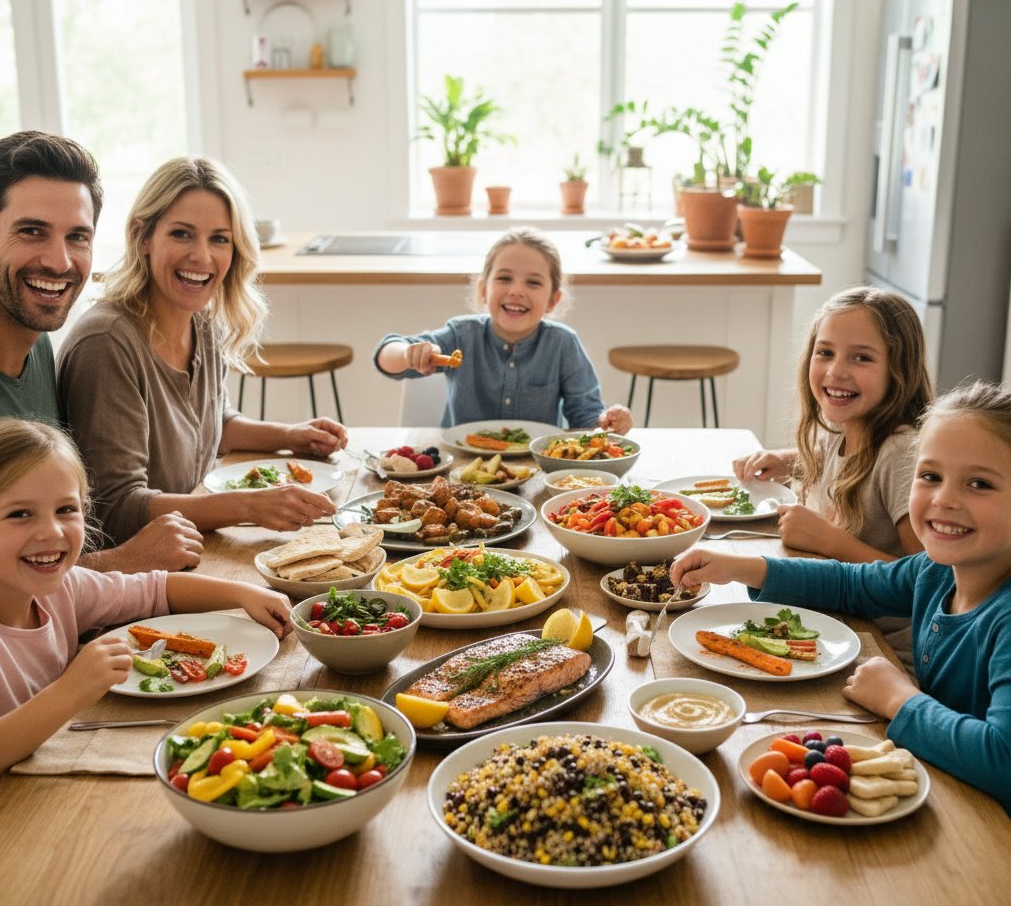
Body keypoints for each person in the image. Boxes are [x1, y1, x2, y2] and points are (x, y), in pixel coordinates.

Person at [671, 381, 1011, 814]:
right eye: (930, 476)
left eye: (979, 484)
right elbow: (851, 584)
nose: (944, 499)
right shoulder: (937, 570)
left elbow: (1003, 762)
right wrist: (741, 567)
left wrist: (899, 699)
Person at [0, 418, 293, 791]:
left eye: (66, 510)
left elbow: (155, 589)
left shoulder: (62, 589)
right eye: (20, 514)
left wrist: (243, 594)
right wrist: (71, 691)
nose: (51, 531)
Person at [57, 156, 348, 544]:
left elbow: (211, 427)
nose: (202, 256)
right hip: (135, 577)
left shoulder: (203, 321)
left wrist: (292, 435)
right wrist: (249, 506)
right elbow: (116, 510)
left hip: (195, 547)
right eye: (181, 234)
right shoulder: (107, 343)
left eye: (219, 239)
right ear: (143, 236)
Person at [0, 130, 202, 572]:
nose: (60, 261)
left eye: (78, 237)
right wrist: (128, 560)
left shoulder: (40, 346)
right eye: (31, 231)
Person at [734, 286, 932, 564]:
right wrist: (787, 461)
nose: (836, 371)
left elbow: (927, 579)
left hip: (868, 609)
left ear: (899, 369)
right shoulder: (843, 426)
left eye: (862, 357)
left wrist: (829, 540)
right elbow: (843, 462)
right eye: (825, 352)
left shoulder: (900, 453)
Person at [374, 227, 633, 432]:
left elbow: (586, 418)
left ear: (553, 300)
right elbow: (386, 357)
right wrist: (408, 352)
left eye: (533, 282)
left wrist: (608, 422)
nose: (517, 290)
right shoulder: (462, 335)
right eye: (504, 278)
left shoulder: (563, 343)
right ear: (483, 289)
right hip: (462, 472)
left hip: (535, 471)